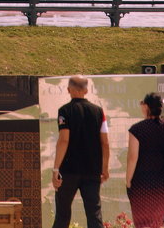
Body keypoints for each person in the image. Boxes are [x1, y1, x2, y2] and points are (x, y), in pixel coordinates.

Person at [52, 74, 109, 228]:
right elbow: (105, 143)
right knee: (94, 213)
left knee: (62, 214)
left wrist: (56, 169)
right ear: (86, 90)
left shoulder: (64, 111)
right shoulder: (99, 112)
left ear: (68, 89)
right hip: (92, 170)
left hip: (68, 170)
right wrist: (104, 168)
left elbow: (64, 140)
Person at [125, 92, 164, 228]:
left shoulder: (137, 129)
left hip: (141, 183)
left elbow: (132, 157)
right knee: (157, 222)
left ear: (146, 106)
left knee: (142, 223)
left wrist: (128, 180)